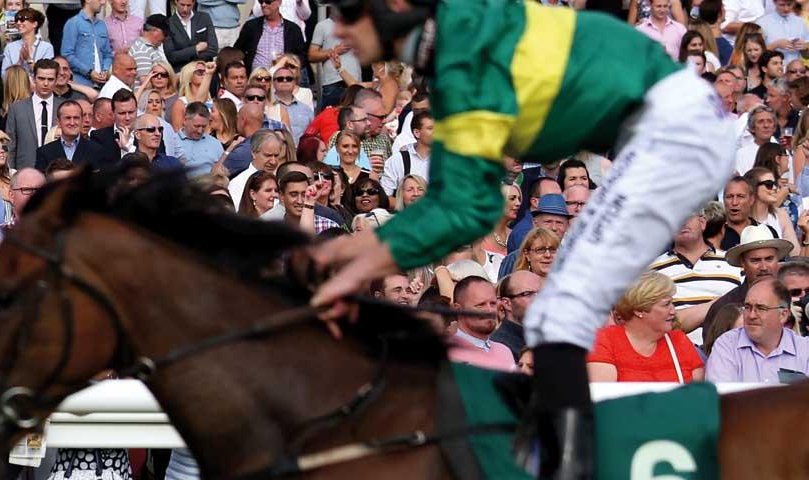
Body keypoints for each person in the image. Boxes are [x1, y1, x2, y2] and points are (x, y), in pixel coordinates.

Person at [311, 0, 738, 470]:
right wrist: (355, 255)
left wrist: (352, 264)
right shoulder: (459, 39)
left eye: (349, 12)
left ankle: (569, 466)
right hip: (669, 122)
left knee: (557, 313)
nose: (337, 27)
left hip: (670, 130)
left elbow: (467, 206)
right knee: (553, 313)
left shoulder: (463, 54)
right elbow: (462, 200)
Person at [587, 272, 705, 382]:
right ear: (639, 310)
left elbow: (699, 395)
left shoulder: (679, 340)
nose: (673, 311)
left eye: (672, 303)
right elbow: (605, 396)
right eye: (666, 304)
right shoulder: (604, 340)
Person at [704, 277, 809, 382]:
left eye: (761, 308)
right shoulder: (727, 345)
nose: (751, 315)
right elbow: (722, 395)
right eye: (747, 307)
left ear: (783, 315)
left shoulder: (804, 350)